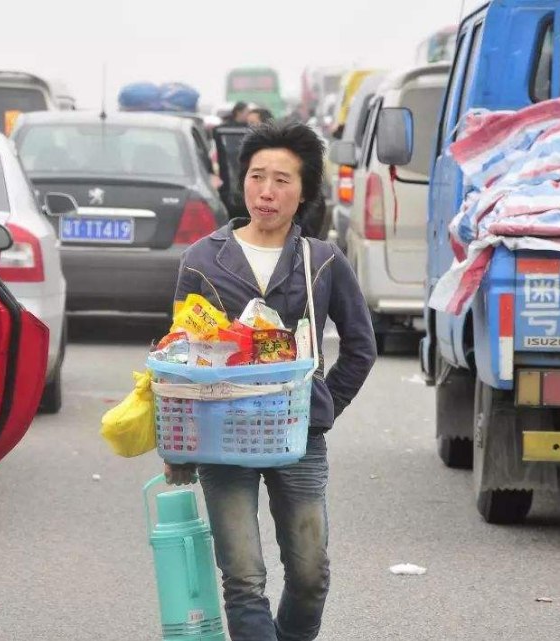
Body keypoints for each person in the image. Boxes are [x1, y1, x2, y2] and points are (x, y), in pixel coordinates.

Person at [166, 122, 377, 641]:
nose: (267, 191)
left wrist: (323, 407)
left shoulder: (323, 260)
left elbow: (361, 346)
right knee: (243, 578)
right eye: (257, 176)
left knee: (309, 575)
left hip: (298, 439)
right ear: (241, 183)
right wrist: (180, 446)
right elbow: (179, 354)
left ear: (304, 192)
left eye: (282, 180)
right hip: (222, 440)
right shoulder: (202, 259)